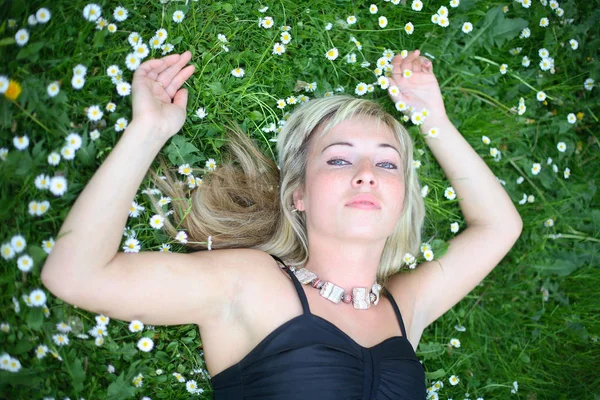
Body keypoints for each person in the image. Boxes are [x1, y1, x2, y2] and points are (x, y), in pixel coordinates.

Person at [41, 49, 523, 399]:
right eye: (338, 161)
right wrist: (148, 131)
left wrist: (430, 117)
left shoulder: (404, 309)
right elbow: (75, 274)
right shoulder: (248, 284)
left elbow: (500, 227)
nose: (365, 176)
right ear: (299, 196)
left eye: (388, 164)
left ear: (401, 201)